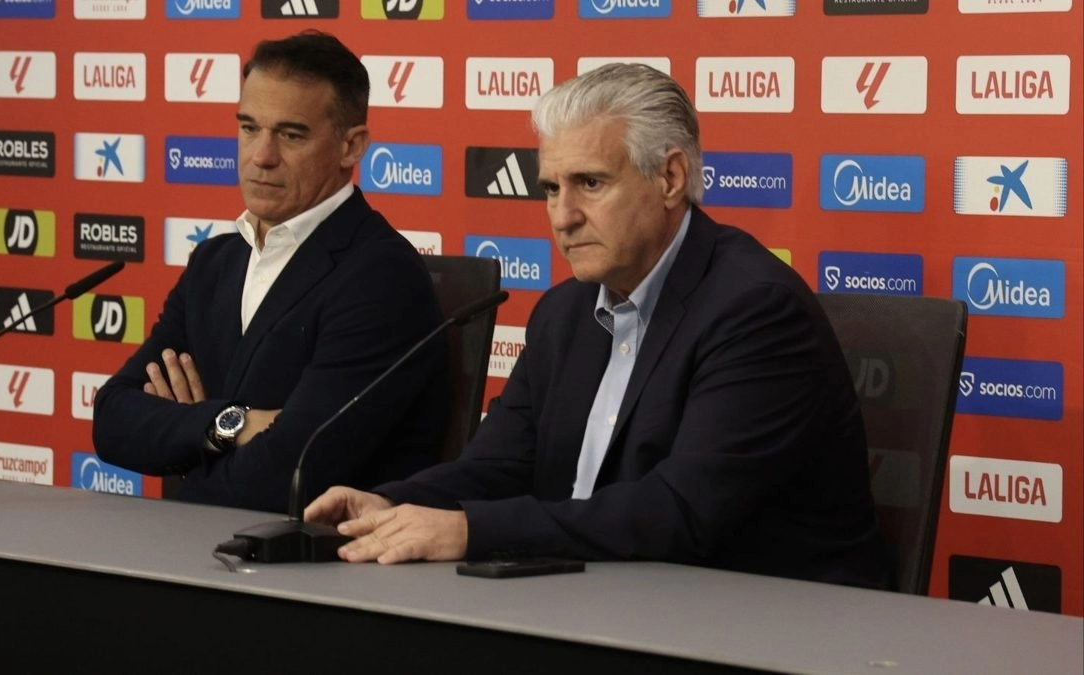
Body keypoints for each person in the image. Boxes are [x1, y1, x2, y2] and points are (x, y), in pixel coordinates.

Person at [305, 63, 895, 589]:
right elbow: (501, 466)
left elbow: (680, 513)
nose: (563, 217)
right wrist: (390, 503)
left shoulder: (757, 311)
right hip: (608, 599)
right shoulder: (563, 312)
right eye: (550, 189)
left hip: (768, 619)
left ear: (669, 178)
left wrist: (469, 531)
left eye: (590, 183)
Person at [92, 31, 447, 512]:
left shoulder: (381, 276)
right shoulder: (214, 262)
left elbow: (289, 473)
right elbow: (113, 421)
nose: (261, 156)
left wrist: (189, 434)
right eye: (248, 128)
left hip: (315, 569)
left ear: (351, 147)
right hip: (192, 552)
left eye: (291, 134)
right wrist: (232, 422)